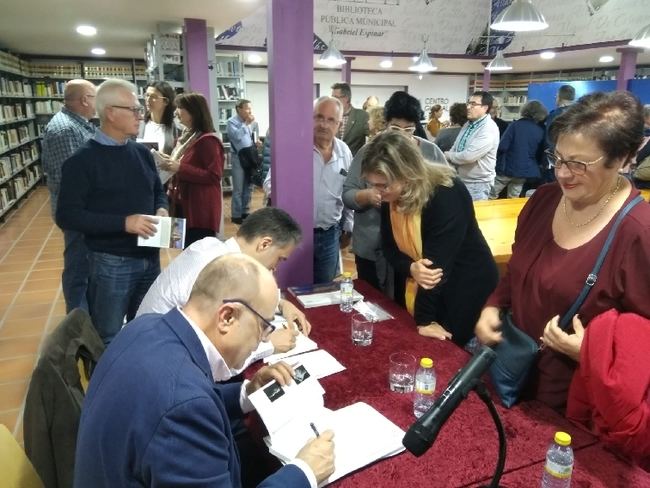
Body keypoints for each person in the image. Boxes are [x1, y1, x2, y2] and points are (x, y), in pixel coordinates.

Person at [74, 253, 335, 488]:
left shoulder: (146, 326)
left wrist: (246, 392)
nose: (265, 340)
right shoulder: (183, 407)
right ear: (227, 317)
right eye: (264, 327)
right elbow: (182, 404)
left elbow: (186, 396)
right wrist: (304, 472)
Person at [475, 91, 650, 411]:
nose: (563, 173)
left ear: (623, 159)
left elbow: (642, 341)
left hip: (574, 403)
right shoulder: (543, 200)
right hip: (511, 376)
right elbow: (516, 270)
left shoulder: (638, 233)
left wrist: (590, 351)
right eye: (557, 158)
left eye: (579, 164)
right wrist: (493, 306)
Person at [56, 79, 168, 345]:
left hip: (150, 258)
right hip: (111, 263)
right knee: (108, 334)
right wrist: (123, 223)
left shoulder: (142, 152)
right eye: (134, 110)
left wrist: (161, 208)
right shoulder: (81, 162)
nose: (140, 116)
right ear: (110, 112)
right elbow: (67, 215)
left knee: (147, 328)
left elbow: (157, 191)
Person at [362, 131, 498, 347]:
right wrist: (411, 269)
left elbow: (435, 271)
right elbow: (389, 248)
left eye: (383, 185)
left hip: (463, 287)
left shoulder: (446, 193)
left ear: (407, 174)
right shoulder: (393, 194)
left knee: (452, 352)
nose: (377, 192)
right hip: (428, 287)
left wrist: (425, 321)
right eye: (372, 184)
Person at [136, 207, 312, 365]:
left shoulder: (211, 245)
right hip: (161, 360)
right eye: (280, 259)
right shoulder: (222, 269)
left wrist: (281, 304)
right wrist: (270, 345)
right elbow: (217, 350)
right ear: (264, 244)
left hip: (145, 342)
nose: (275, 268)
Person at [343, 91, 447, 293]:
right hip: (373, 244)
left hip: (415, 248)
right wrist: (367, 196)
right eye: (395, 128)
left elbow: (445, 194)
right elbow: (347, 193)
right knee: (371, 302)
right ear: (385, 124)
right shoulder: (369, 151)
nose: (401, 136)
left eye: (408, 129)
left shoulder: (430, 152)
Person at [41, 79, 96, 313]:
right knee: (78, 268)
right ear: (84, 99)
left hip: (84, 211)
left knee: (86, 264)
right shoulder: (66, 130)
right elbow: (72, 182)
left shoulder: (79, 125)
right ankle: (78, 326)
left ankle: (86, 316)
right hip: (78, 213)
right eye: (95, 97)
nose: (97, 102)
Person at [156, 92, 224, 246]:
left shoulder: (208, 141)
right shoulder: (185, 137)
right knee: (183, 249)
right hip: (181, 203)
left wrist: (180, 167)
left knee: (197, 252)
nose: (176, 112)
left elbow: (214, 176)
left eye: (180, 108)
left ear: (194, 112)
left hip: (198, 210)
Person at [445, 91, 500, 201]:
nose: (468, 107)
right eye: (468, 103)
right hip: (461, 179)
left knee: (473, 217)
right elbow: (455, 147)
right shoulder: (468, 124)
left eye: (473, 104)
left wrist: (447, 155)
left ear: (485, 107)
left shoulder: (488, 128)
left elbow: (468, 156)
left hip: (477, 184)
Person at [490, 100, 548, 199]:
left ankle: (485, 213)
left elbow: (503, 146)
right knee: (513, 197)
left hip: (507, 168)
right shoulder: (540, 130)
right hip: (524, 170)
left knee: (492, 194)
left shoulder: (515, 125)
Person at [227, 99, 258, 225]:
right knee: (239, 188)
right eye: (247, 108)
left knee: (248, 186)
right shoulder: (231, 122)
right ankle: (236, 215)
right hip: (238, 158)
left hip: (249, 156)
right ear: (239, 109)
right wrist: (245, 123)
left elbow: (250, 136)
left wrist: (256, 142)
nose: (250, 111)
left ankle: (245, 211)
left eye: (250, 108)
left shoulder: (251, 122)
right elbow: (237, 136)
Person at [542, 84, 576, 183]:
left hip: (556, 161)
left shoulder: (555, 115)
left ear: (559, 97)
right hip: (575, 161)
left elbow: (549, 140)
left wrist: (551, 161)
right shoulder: (580, 114)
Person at [139, 81, 179, 155]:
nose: (148, 99)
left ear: (166, 101)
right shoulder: (139, 125)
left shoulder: (177, 128)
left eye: (153, 96)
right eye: (147, 95)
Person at [331, 82, 369, 156]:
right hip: (334, 163)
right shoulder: (330, 116)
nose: (332, 100)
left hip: (354, 163)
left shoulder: (362, 116)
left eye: (335, 97)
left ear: (346, 98)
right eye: (332, 97)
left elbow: (372, 138)